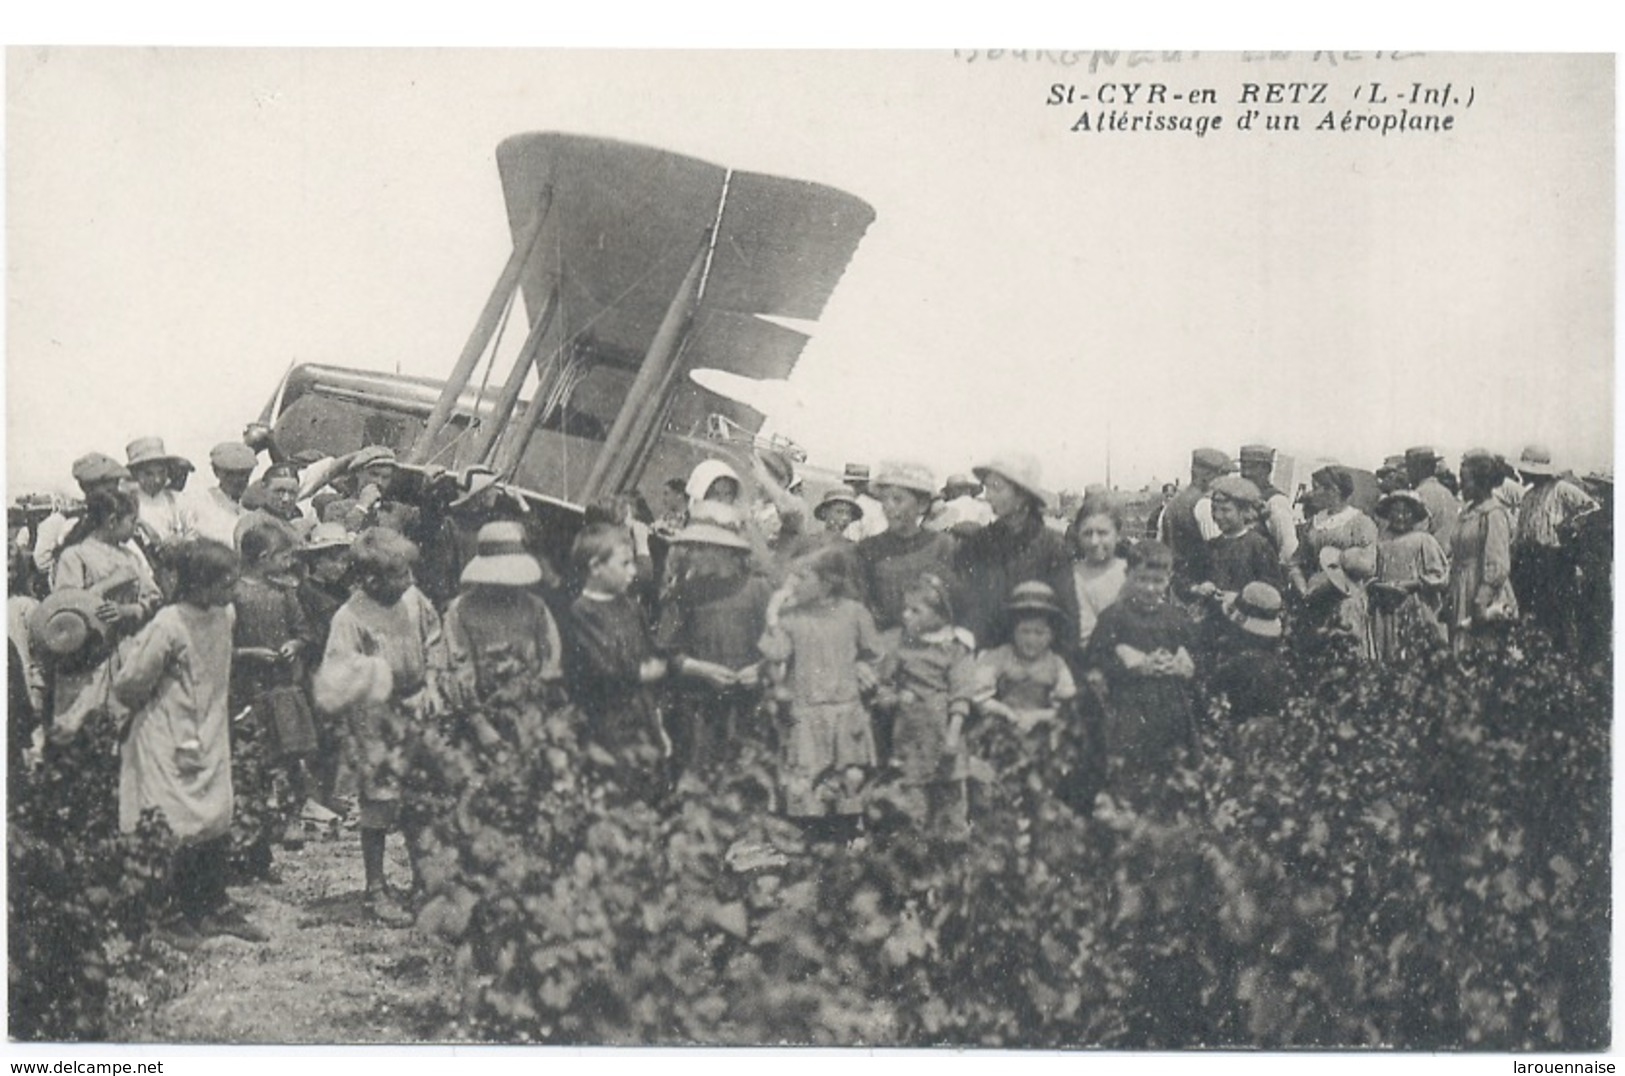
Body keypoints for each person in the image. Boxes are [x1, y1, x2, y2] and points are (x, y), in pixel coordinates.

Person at [113, 539, 268, 944]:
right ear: (198, 584)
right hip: (166, 731)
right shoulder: (168, 623)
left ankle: (211, 906)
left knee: (214, 813)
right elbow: (130, 682)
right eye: (225, 582)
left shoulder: (224, 616)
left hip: (209, 726)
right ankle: (163, 912)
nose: (232, 589)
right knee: (171, 817)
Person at [313, 527, 446, 926]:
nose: (408, 581)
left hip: (417, 710)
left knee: (420, 799)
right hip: (375, 720)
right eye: (398, 575)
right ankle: (376, 886)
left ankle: (425, 880)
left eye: (408, 572)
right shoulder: (350, 617)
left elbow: (435, 640)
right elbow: (337, 674)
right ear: (371, 579)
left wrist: (433, 686)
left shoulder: (414, 600)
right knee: (380, 801)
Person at [758, 545, 885, 840]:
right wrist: (773, 614)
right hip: (807, 716)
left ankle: (845, 855)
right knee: (807, 801)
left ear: (828, 581)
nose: (794, 584)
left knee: (847, 796)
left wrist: (864, 670)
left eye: (802, 577)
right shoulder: (792, 618)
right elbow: (775, 653)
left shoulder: (854, 613)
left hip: (845, 715)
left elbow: (875, 654)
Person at [1081, 540, 1199, 814]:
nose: (1149, 588)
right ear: (1128, 576)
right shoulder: (1115, 617)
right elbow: (1097, 660)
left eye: (1157, 581)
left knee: (1172, 772)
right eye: (1142, 579)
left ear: (1168, 580)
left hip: (1172, 707)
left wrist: (1184, 664)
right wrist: (1134, 666)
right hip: (1130, 707)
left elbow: (1196, 655)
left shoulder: (1174, 618)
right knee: (1132, 772)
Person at [231, 522, 320, 879]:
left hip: (283, 690)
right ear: (265, 557)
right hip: (249, 691)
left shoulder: (285, 593)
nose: (289, 563)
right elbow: (225, 644)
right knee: (250, 770)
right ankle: (251, 854)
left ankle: (276, 837)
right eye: (284, 556)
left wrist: (294, 645)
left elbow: (304, 631)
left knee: (285, 763)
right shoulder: (234, 595)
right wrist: (249, 652)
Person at [654, 516, 773, 781]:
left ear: (726, 551)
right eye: (691, 547)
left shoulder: (758, 589)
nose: (692, 555)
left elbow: (780, 645)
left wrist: (761, 669)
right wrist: (702, 669)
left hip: (747, 707)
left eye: (701, 548)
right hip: (698, 709)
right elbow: (666, 651)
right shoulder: (684, 592)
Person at [564, 523, 670, 791]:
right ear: (596, 567)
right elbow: (605, 667)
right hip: (606, 727)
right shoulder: (582, 612)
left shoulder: (631, 608)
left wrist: (658, 726)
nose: (633, 572)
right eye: (624, 564)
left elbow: (650, 654)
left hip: (642, 720)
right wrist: (640, 672)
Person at [874, 574, 978, 840]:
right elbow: (883, 684)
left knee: (950, 805)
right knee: (913, 806)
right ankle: (917, 864)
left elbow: (961, 695)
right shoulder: (900, 647)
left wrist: (953, 735)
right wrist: (893, 698)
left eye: (915, 610)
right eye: (905, 610)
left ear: (939, 615)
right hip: (910, 738)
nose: (906, 616)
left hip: (944, 737)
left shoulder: (955, 648)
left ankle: (953, 859)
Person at [50, 489, 163, 723]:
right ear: (112, 521)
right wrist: (110, 583)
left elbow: (154, 597)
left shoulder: (130, 557)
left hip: (128, 653)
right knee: (87, 726)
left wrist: (130, 610)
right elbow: (67, 610)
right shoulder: (75, 556)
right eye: (132, 521)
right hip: (91, 659)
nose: (137, 527)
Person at [442, 520, 566, 725]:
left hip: (532, 711)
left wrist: (535, 696)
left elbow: (551, 658)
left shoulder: (535, 606)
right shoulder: (461, 610)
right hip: (482, 713)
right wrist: (480, 722)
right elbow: (459, 669)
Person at [954, 454, 1078, 653]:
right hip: (986, 656)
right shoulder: (978, 544)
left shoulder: (1052, 546)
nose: (988, 496)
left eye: (997, 487)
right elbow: (967, 605)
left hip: (1038, 658)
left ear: (1022, 496)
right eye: (987, 488)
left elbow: (1067, 616)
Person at [1510, 443, 1598, 648]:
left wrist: (1571, 531)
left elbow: (1592, 510)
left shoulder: (1562, 490)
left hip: (1555, 562)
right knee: (1533, 618)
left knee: (1558, 619)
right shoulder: (1528, 496)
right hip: (1529, 562)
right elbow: (1521, 534)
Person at [856, 462, 959, 636]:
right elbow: (862, 605)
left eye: (897, 499)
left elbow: (955, 602)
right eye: (884, 499)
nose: (888, 506)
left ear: (922, 505)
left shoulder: (943, 545)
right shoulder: (868, 548)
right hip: (882, 642)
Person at [293, 522, 354, 817]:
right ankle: (315, 795)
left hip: (338, 666)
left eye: (344, 559)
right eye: (334, 559)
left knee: (334, 735)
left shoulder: (340, 591)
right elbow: (315, 634)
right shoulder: (308, 593)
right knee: (319, 733)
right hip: (317, 667)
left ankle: (328, 792)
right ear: (317, 560)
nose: (341, 566)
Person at [1290, 466, 1379, 662]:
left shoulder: (1360, 523)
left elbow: (1368, 565)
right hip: (1314, 599)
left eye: (1318, 488)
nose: (1313, 493)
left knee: (1345, 654)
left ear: (1334, 490)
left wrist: (1335, 573)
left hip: (1345, 598)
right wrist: (1303, 587)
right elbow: (1296, 561)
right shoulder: (1314, 523)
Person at [975, 581, 1078, 731]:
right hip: (1002, 727)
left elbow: (1066, 705)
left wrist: (1037, 716)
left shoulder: (1056, 663)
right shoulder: (1002, 656)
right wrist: (1005, 712)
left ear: (1051, 636)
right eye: (1025, 631)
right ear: (1013, 632)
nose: (1031, 640)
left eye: (1039, 633)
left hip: (1042, 730)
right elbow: (977, 695)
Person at [1447, 452, 1519, 656]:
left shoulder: (1493, 514)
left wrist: (1481, 600)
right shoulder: (1469, 512)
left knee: (1484, 650)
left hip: (1482, 592)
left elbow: (1498, 563)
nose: (1461, 485)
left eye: (1465, 480)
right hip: (1462, 587)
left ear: (1481, 481)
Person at [1369, 490, 1450, 662]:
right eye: (1396, 512)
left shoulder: (1423, 540)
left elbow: (1439, 575)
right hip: (1385, 605)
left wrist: (1411, 584)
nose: (1400, 517)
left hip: (1413, 603)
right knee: (1386, 650)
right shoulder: (1381, 541)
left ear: (1414, 515)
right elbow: (1371, 570)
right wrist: (1378, 585)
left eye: (1406, 512)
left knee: (1413, 648)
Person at [33, 453, 139, 580]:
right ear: (86, 488)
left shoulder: (121, 520)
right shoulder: (67, 522)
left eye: (115, 487)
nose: (114, 494)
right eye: (108, 490)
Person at [1198, 475, 1284, 597]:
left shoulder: (1259, 546)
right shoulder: (1212, 545)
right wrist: (1202, 586)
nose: (1218, 516)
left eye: (1225, 510)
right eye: (1214, 509)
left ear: (1244, 512)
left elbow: (1272, 589)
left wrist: (1239, 598)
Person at [1066, 490, 1129, 653]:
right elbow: (1083, 634)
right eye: (1087, 533)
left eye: (1102, 533)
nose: (1094, 542)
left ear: (1118, 534)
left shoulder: (1130, 573)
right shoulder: (1072, 578)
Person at [126, 436, 197, 556]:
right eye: (149, 474)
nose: (157, 479)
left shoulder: (178, 500)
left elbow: (194, 535)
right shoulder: (128, 502)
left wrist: (180, 542)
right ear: (136, 474)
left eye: (161, 472)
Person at [1237, 445, 1299, 569]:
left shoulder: (1276, 501)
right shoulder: (1240, 497)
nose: (1246, 472)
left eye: (1253, 467)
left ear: (1267, 469)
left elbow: (1288, 546)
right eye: (1244, 466)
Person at [188, 441, 260, 548]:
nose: (237, 480)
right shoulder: (200, 503)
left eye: (243, 474)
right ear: (216, 472)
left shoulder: (250, 514)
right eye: (230, 474)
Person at [1404, 446, 1460, 550]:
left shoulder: (1418, 495)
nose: (1408, 473)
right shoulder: (1447, 493)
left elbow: (1415, 535)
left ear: (1418, 468)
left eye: (1409, 468)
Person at [928, 474, 994, 534]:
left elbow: (932, 529)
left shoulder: (946, 506)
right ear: (969, 489)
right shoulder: (985, 506)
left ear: (951, 492)